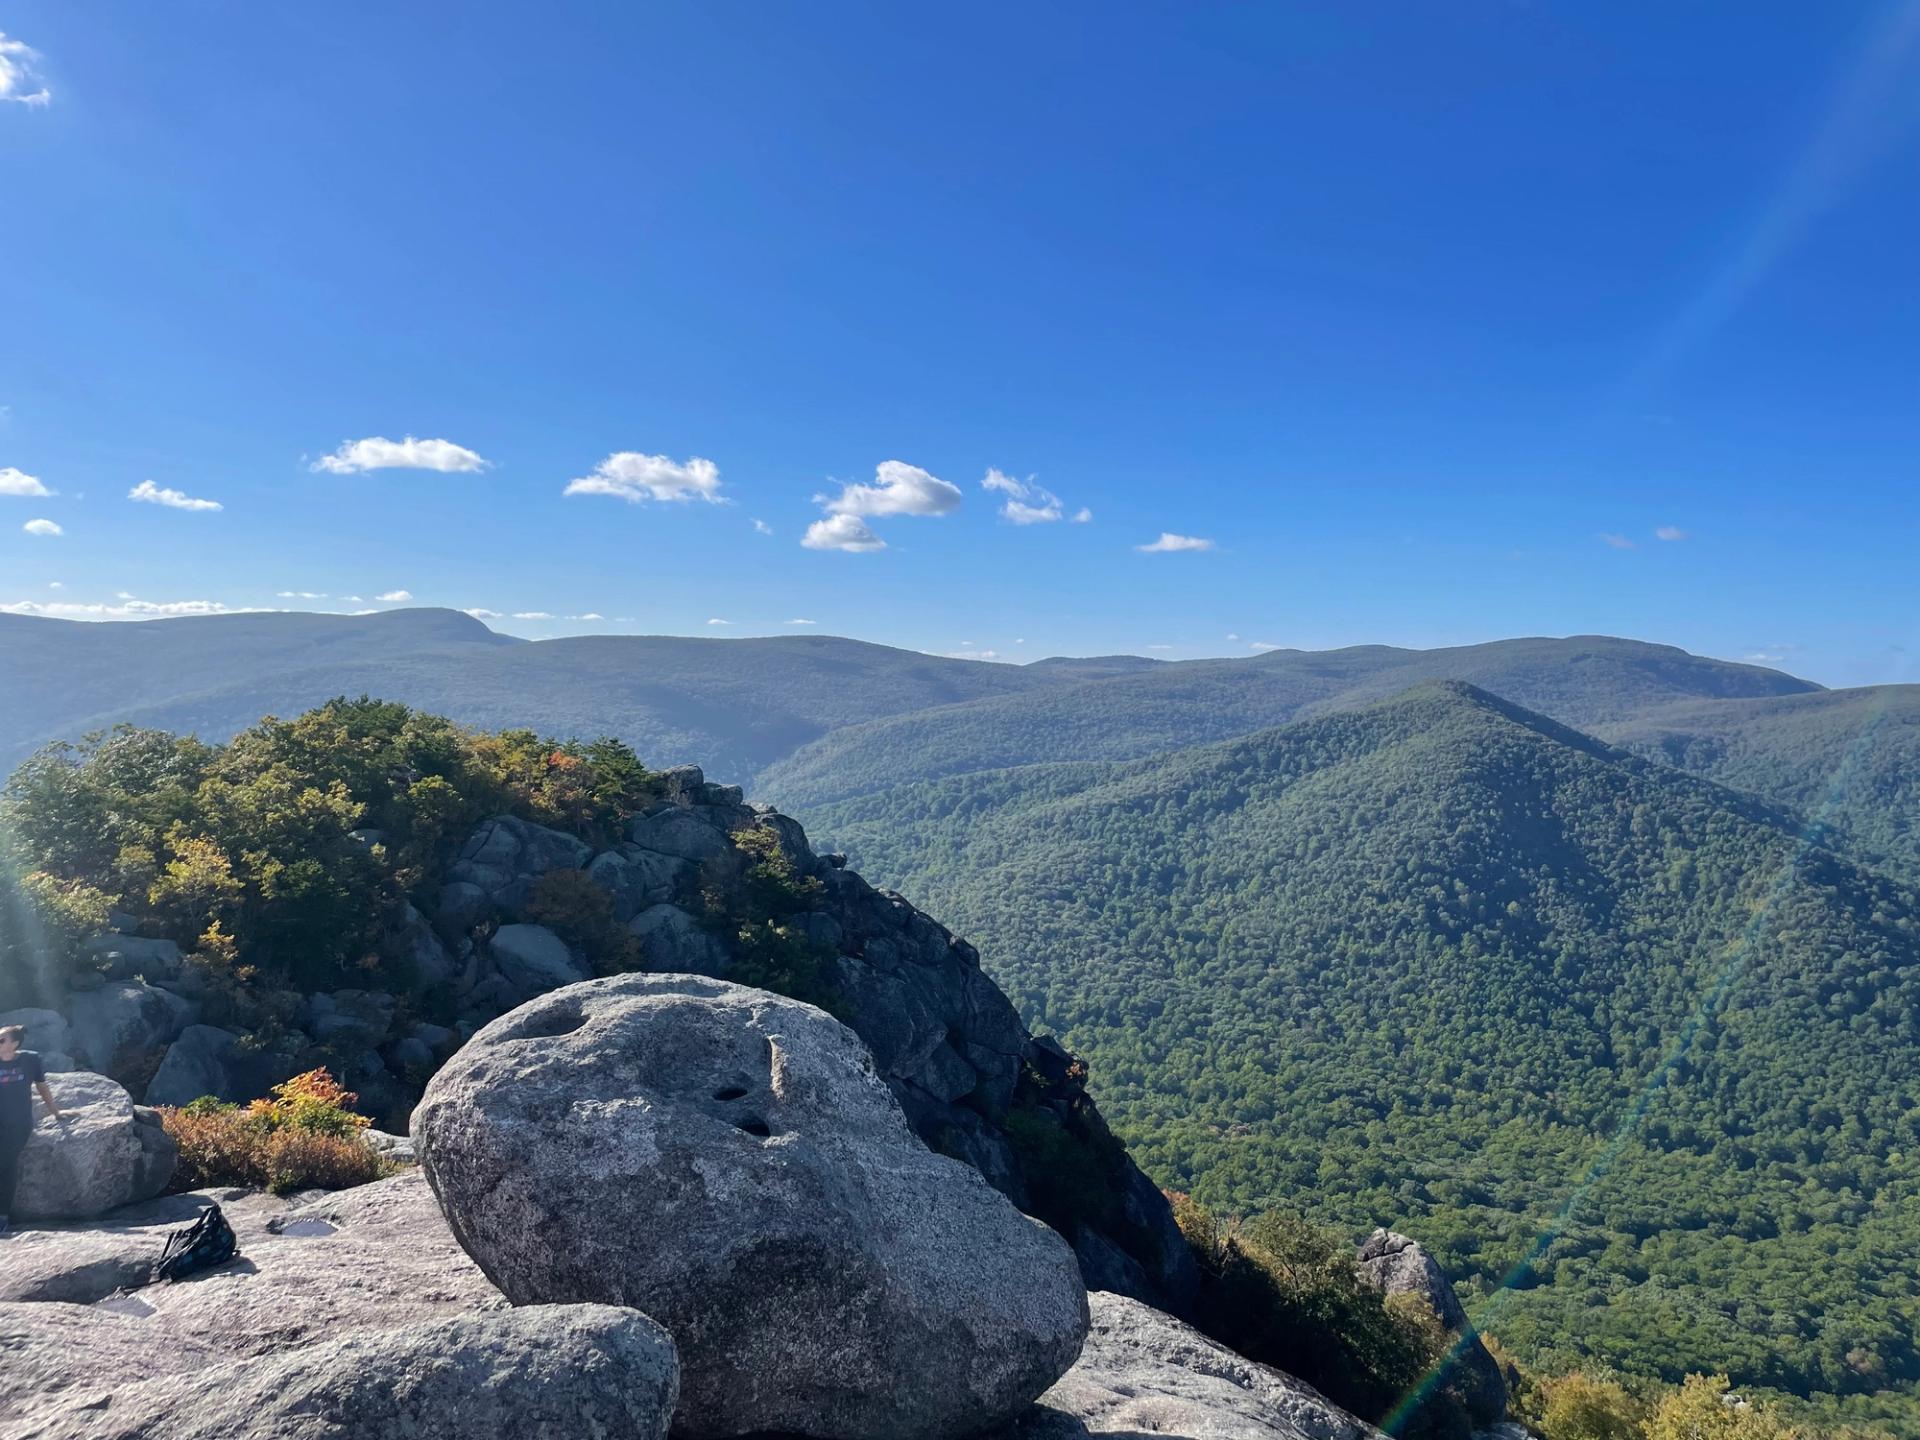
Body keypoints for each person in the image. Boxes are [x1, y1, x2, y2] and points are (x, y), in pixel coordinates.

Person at [0, 1022, 64, 1236]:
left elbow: (42, 1087)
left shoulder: (30, 1060)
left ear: (15, 1044)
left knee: (6, 1165)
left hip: (18, 1124)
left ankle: (3, 1216)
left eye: (2, 1040)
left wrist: (56, 1112)